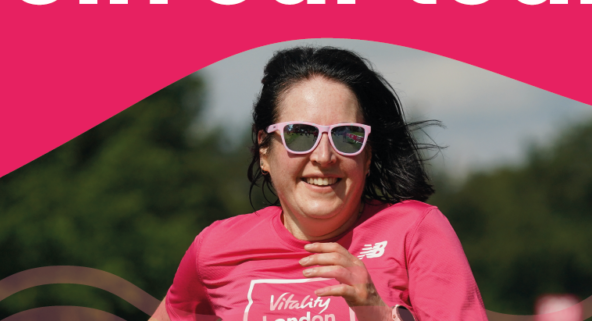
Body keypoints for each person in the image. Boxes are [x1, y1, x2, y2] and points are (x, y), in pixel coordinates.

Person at [152, 46, 488, 321]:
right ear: (264, 151)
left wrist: (377, 313)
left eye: (347, 136)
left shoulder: (415, 230)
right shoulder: (214, 248)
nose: (325, 156)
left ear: (367, 155)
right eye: (301, 135)